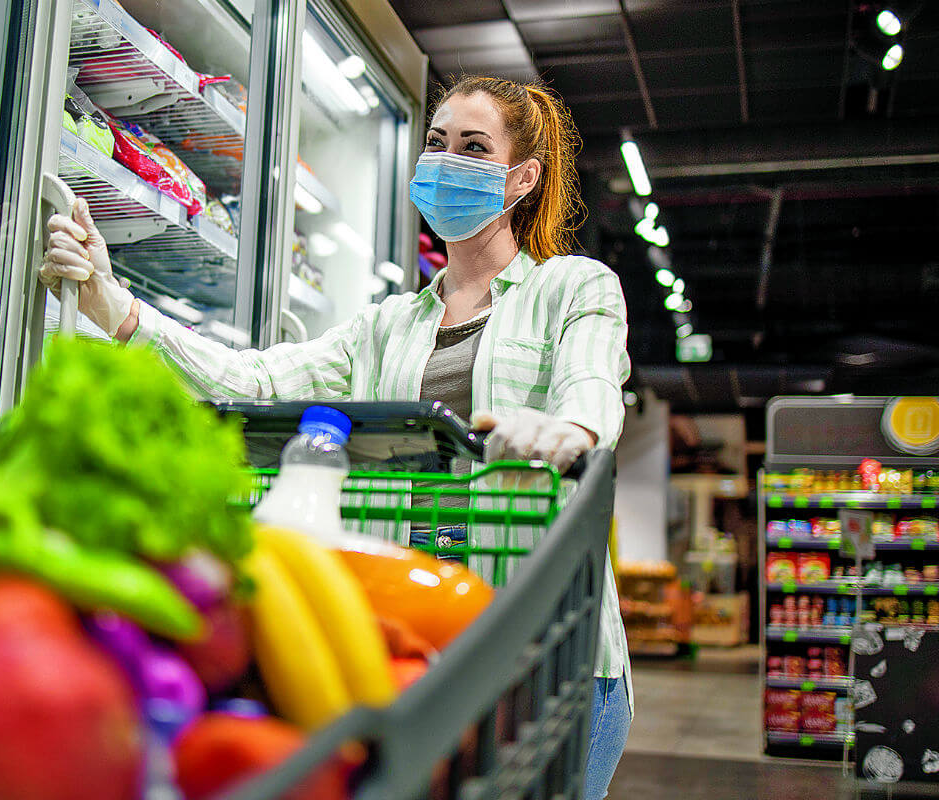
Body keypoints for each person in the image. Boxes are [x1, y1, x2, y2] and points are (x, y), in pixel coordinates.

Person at [41, 75, 632, 798]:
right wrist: (115, 304)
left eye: (473, 148)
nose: (446, 161)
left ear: (522, 178)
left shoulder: (573, 287)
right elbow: (253, 381)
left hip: (549, 648)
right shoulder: (387, 326)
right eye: (437, 143)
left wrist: (566, 429)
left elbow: (593, 386)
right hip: (429, 645)